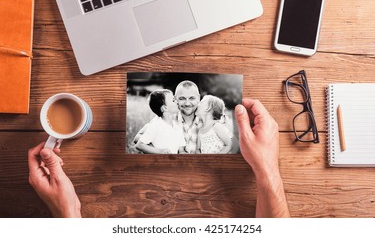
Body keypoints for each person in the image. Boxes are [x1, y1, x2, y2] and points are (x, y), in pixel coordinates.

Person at [28, 98, 290, 218]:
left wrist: (67, 213)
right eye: (175, 100)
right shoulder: (158, 123)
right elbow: (138, 142)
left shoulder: (178, 123)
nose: (182, 103)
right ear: (166, 106)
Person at [134, 89, 186, 154]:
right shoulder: (156, 125)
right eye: (173, 100)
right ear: (165, 108)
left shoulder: (178, 127)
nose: (177, 101)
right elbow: (139, 145)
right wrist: (160, 151)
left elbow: (181, 150)